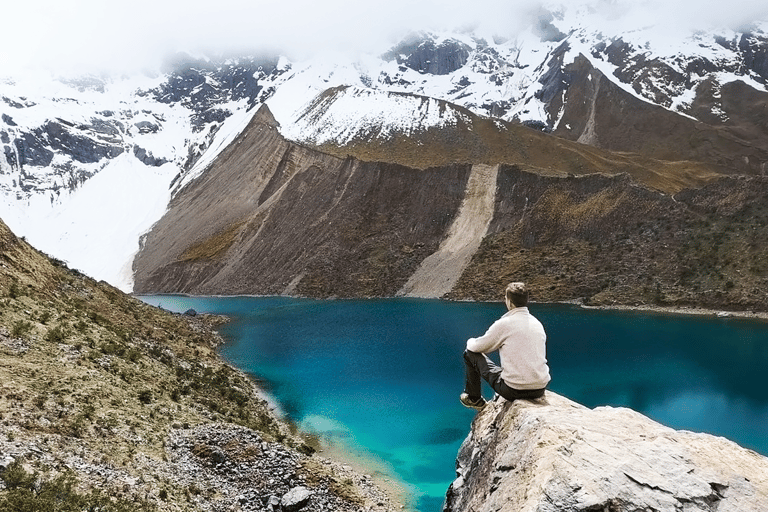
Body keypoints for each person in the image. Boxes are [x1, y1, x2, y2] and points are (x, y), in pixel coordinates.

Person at [460, 282, 550, 410]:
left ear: (509, 301)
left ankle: (474, 398)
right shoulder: (537, 324)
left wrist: (470, 340)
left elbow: (476, 347)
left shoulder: (505, 324)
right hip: (539, 389)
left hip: (514, 390)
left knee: (469, 354)